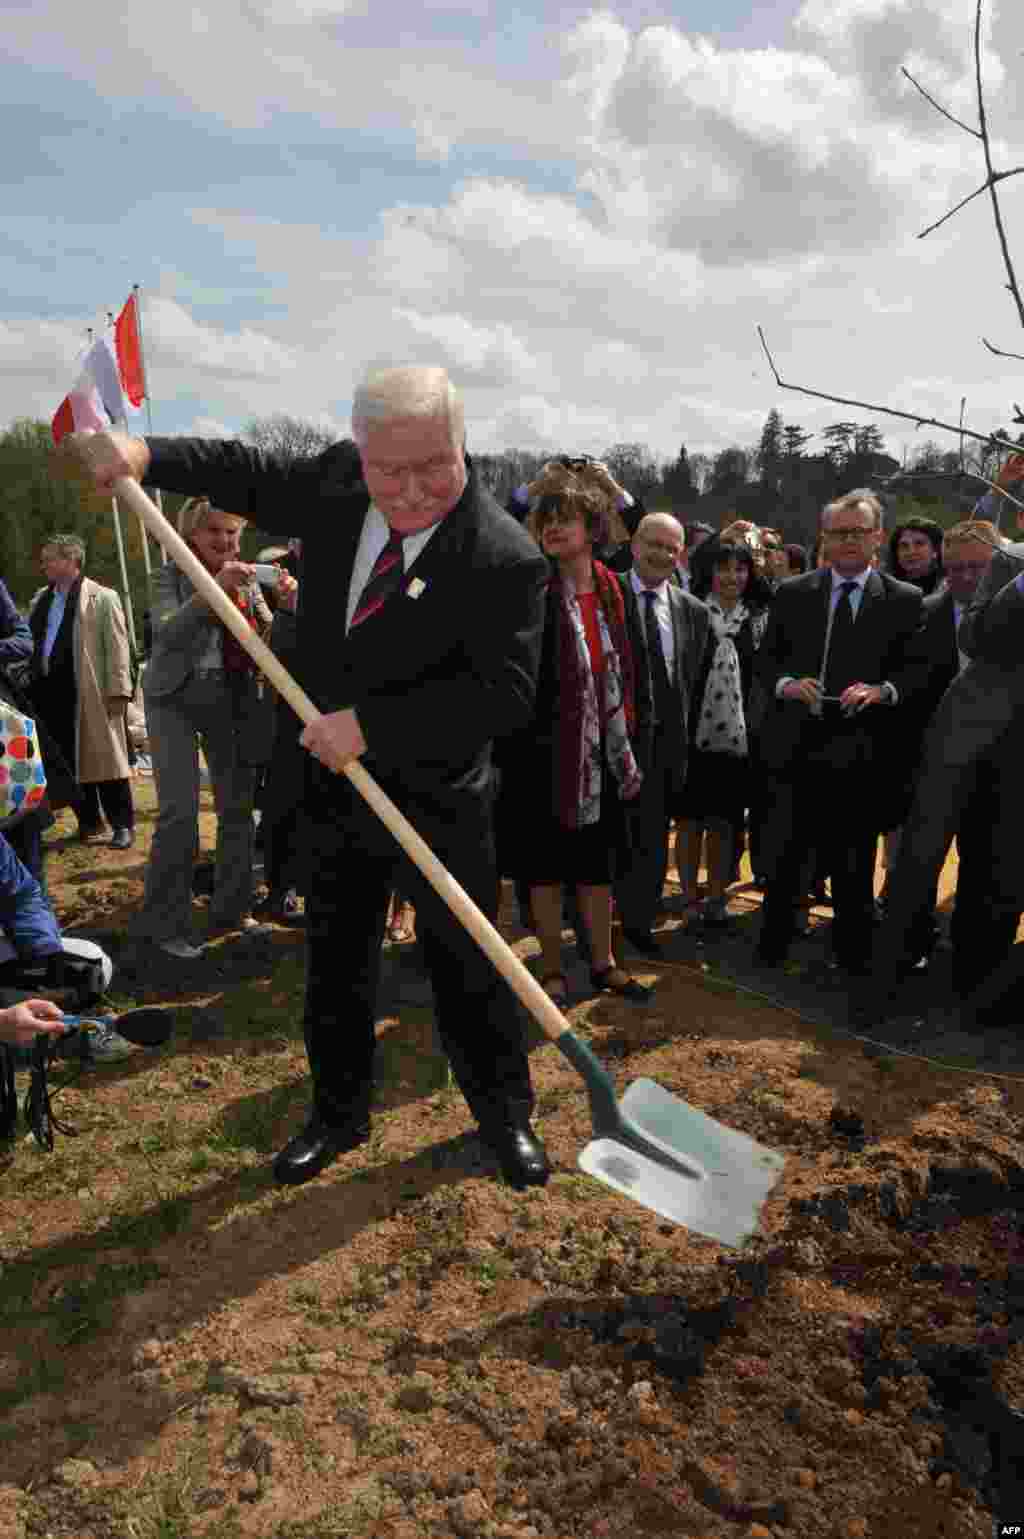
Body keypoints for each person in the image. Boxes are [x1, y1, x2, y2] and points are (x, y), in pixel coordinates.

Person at [70, 366, 554, 1192]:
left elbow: (503, 694)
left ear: (460, 443)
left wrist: (372, 726)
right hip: (331, 790)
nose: (410, 491)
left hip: (438, 798)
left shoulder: (503, 557)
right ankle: (338, 1110)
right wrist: (145, 453)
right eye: (388, 470)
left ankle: (503, 1111)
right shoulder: (335, 485)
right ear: (360, 452)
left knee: (467, 962)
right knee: (336, 958)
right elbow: (243, 468)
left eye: (431, 467)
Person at [754, 489, 924, 975]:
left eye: (858, 532)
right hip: (798, 746)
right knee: (786, 856)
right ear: (823, 538)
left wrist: (882, 690)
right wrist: (788, 685)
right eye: (838, 532)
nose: (848, 540)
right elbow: (766, 662)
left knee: (854, 861)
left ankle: (853, 953)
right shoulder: (793, 593)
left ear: (877, 537)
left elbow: (918, 671)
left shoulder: (904, 599)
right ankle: (773, 946)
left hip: (862, 750)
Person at [497, 463, 650, 1003]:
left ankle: (603, 964)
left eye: (565, 518)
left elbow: (633, 669)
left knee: (597, 865)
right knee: (543, 869)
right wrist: (536, 488)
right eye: (546, 520)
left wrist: (609, 486)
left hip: (605, 750)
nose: (553, 528)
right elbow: (504, 527)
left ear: (593, 528)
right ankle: (551, 969)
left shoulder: (615, 587)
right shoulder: (530, 585)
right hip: (542, 752)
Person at [138, 497, 276, 960]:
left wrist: (289, 607)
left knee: (237, 809)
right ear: (191, 534)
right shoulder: (167, 576)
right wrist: (214, 588)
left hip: (230, 697)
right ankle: (166, 924)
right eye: (214, 530)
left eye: (232, 532)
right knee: (179, 813)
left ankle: (233, 909)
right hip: (171, 696)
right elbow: (167, 632)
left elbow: (265, 635)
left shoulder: (247, 578)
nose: (224, 540)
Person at [613, 514, 711, 956]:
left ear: (681, 555)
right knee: (605, 835)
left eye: (671, 548)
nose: (661, 554)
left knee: (652, 837)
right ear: (634, 545)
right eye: (653, 544)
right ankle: (589, 924)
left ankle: (638, 921)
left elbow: (693, 681)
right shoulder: (603, 593)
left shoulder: (694, 612)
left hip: (664, 744)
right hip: (608, 739)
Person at [674, 538, 772, 928]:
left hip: (739, 739)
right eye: (723, 568)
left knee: (725, 822)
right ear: (709, 572)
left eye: (740, 568)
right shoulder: (691, 610)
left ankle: (716, 898)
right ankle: (688, 898)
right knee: (688, 822)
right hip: (690, 734)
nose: (733, 577)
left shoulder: (759, 618)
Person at [28, 534, 135, 849]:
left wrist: (119, 691)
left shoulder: (102, 598)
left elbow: (118, 647)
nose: (44, 565)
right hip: (49, 694)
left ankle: (122, 825)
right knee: (67, 764)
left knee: (107, 763)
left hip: (91, 692)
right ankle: (90, 823)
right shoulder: (41, 600)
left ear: (71, 560)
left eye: (50, 559)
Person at [886, 517, 944, 595]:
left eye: (919, 544)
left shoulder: (949, 587)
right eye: (904, 545)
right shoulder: (883, 587)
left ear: (935, 550)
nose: (911, 552)